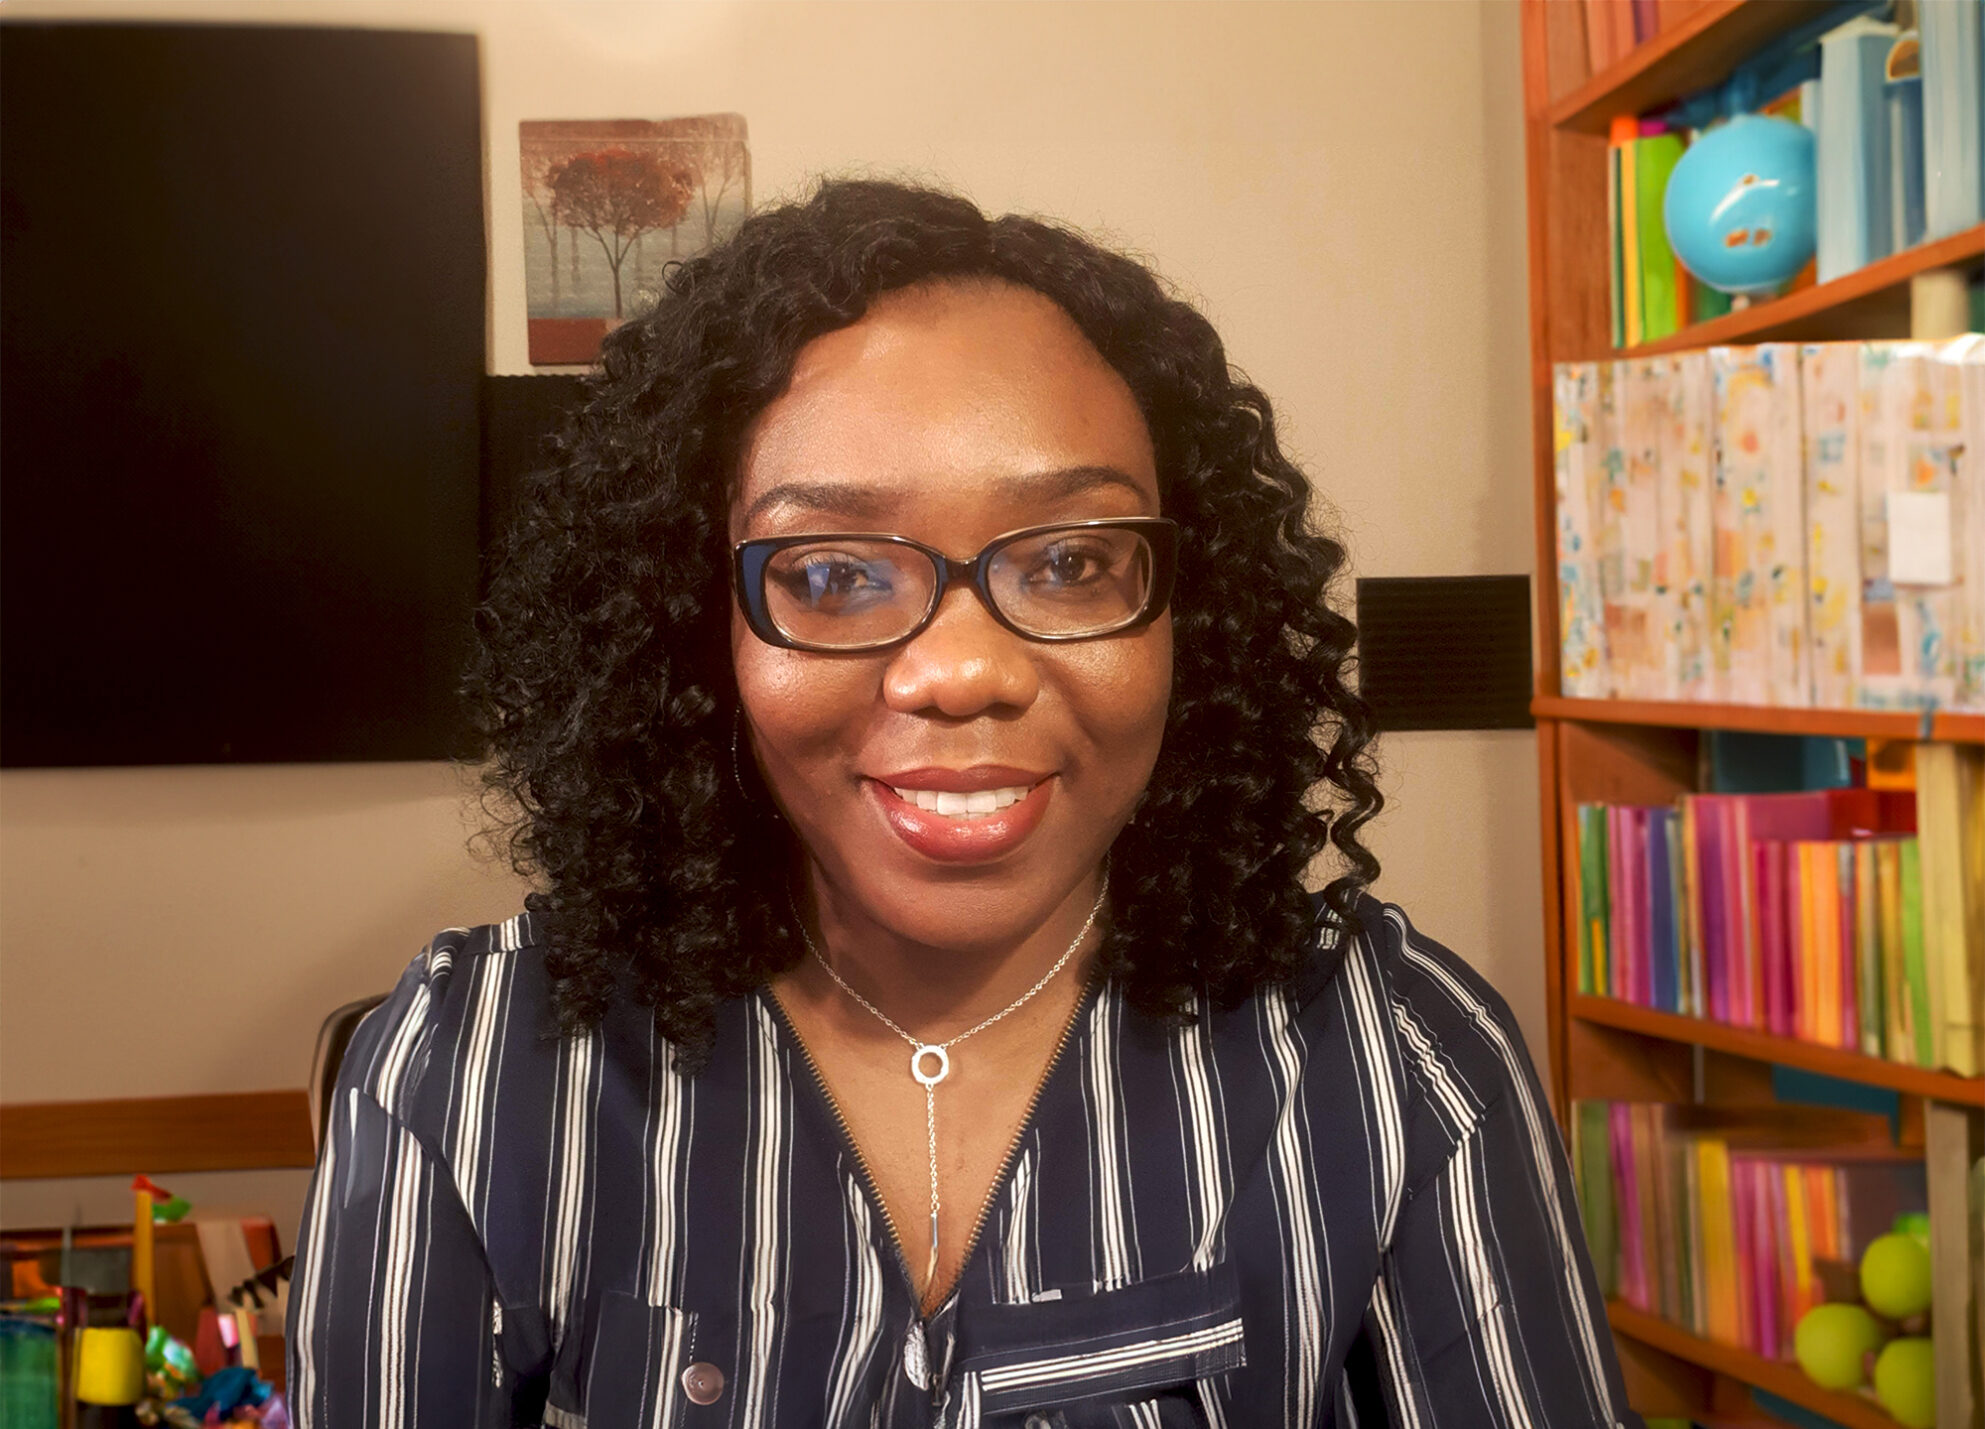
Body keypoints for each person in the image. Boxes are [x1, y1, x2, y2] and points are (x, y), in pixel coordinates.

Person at [287, 180, 1638, 1428]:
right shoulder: (467, 1076)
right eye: (829, 576)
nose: (963, 671)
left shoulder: (1396, 1065)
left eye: (1070, 557)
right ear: (699, 630)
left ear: (1189, 612)